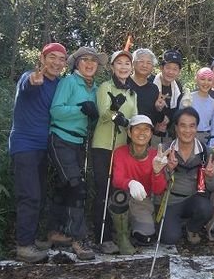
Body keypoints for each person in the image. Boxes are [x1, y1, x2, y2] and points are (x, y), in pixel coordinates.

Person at [10, 42, 67, 263]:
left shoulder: (60, 84)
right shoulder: (29, 77)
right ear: (42, 59)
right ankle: (24, 246)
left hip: (45, 147)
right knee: (30, 196)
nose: (56, 62)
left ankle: (33, 238)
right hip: (24, 145)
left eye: (61, 59)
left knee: (40, 194)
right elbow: (28, 84)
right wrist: (33, 82)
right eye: (52, 57)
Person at [48, 46, 107, 260]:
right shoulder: (69, 82)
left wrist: (91, 114)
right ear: (77, 63)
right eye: (85, 60)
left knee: (65, 186)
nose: (90, 63)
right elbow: (56, 110)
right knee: (76, 186)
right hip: (61, 138)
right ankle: (78, 239)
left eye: (94, 60)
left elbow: (92, 117)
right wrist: (79, 109)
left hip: (79, 142)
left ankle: (58, 231)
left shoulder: (96, 88)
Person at [91, 50, 138, 254]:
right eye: (119, 63)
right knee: (103, 190)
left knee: (118, 191)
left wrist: (129, 123)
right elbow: (103, 114)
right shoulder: (105, 87)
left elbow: (133, 121)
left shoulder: (132, 92)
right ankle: (103, 237)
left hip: (121, 148)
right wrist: (113, 111)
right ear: (112, 67)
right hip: (103, 145)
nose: (123, 67)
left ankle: (120, 235)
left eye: (127, 63)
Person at [159, 107, 214, 245]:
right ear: (176, 128)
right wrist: (168, 169)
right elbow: (157, 185)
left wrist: (210, 176)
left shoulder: (206, 152)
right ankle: (174, 223)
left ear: (197, 128)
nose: (187, 131)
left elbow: (213, 187)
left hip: (194, 199)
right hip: (170, 200)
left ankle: (192, 228)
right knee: (169, 238)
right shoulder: (165, 150)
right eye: (183, 126)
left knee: (206, 208)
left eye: (192, 126)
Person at [111, 115, 168, 250]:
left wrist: (157, 172)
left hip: (142, 201)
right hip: (123, 199)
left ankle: (134, 227)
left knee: (146, 238)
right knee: (119, 196)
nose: (142, 133)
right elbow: (117, 179)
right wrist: (130, 183)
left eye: (146, 129)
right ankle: (121, 235)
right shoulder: (120, 152)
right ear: (129, 132)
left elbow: (159, 190)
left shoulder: (156, 155)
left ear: (151, 134)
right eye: (137, 129)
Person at [152, 50, 184, 143]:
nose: (171, 72)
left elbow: (177, 108)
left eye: (175, 69)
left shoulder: (178, 86)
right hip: (150, 129)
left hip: (168, 132)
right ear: (161, 68)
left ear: (179, 71)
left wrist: (168, 122)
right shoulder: (151, 82)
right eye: (168, 67)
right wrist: (157, 122)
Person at [128, 48, 165, 125]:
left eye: (149, 63)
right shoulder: (124, 83)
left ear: (152, 67)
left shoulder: (153, 89)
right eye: (141, 61)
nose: (145, 65)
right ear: (133, 63)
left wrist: (159, 109)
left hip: (145, 133)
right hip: (123, 132)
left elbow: (159, 119)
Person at [186, 67, 214, 146]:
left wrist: (213, 140)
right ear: (196, 80)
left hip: (205, 138)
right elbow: (179, 119)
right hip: (187, 134)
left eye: (209, 80)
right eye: (202, 79)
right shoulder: (188, 98)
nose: (206, 83)